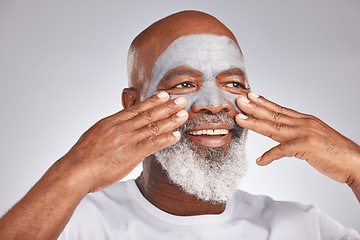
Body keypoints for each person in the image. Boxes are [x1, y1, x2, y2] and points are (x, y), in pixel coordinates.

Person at [0, 10, 359, 239]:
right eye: (184, 84)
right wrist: (74, 169)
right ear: (133, 105)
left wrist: (355, 168)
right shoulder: (71, 224)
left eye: (233, 84)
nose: (215, 103)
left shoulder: (302, 228)